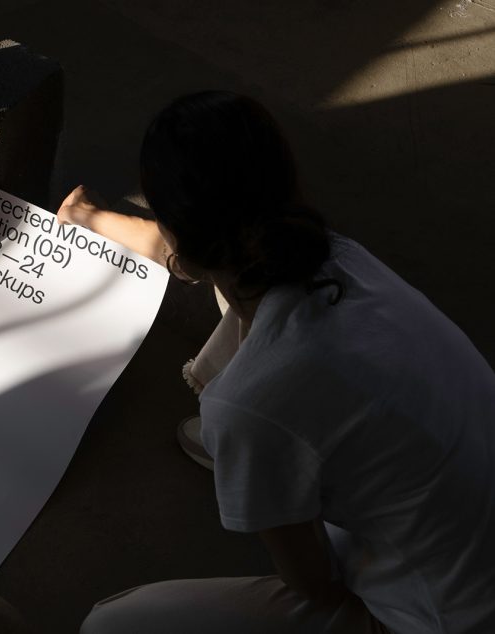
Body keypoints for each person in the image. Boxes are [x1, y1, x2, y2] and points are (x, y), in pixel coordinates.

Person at [58, 90, 495, 634]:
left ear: (189, 240)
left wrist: (269, 463)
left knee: (110, 625)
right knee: (244, 334)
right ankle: (275, 463)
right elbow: (184, 256)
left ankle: (271, 465)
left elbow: (314, 581)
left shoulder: (250, 402)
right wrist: (88, 217)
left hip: (449, 618)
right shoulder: (333, 255)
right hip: (462, 522)